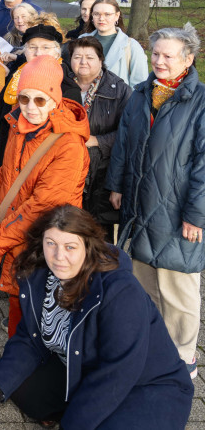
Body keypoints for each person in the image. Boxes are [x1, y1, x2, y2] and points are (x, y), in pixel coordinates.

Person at [0, 205, 194, 429]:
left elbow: (117, 373)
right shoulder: (39, 275)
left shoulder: (120, 290)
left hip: (146, 384)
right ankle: (82, 407)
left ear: (88, 247)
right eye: (51, 244)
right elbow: (29, 338)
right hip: (82, 367)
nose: (59, 256)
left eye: (70, 247)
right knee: (22, 388)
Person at [107, 23, 205, 379]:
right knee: (143, 280)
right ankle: (151, 343)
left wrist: (196, 215)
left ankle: (183, 357)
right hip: (139, 203)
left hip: (178, 210)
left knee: (178, 286)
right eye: (155, 54)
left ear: (188, 58)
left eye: (168, 55)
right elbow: (123, 144)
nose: (159, 61)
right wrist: (116, 185)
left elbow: (204, 164)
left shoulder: (201, 101)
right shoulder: (139, 94)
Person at [0, 55, 90, 338]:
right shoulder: (21, 126)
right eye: (24, 99)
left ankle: (30, 372)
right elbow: (12, 169)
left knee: (40, 316)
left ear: (55, 99)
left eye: (39, 100)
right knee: (21, 308)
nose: (30, 107)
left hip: (47, 245)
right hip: (22, 239)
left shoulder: (69, 147)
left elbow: (44, 206)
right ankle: (18, 367)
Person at [0, 21, 80, 172]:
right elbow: (3, 106)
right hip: (9, 151)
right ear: (24, 52)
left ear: (56, 52)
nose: (38, 53)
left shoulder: (67, 85)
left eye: (45, 47)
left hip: (42, 161)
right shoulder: (18, 73)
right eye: (32, 47)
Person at [69, 37, 131, 240]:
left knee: (99, 237)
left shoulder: (119, 90)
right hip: (68, 170)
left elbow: (130, 132)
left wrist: (98, 141)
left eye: (89, 57)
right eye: (77, 57)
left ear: (101, 59)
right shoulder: (62, 85)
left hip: (102, 173)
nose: (83, 62)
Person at [80, 0, 148, 87]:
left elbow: (139, 85)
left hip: (118, 100)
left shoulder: (131, 46)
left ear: (117, 16)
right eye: (96, 14)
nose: (101, 18)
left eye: (107, 14)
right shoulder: (81, 40)